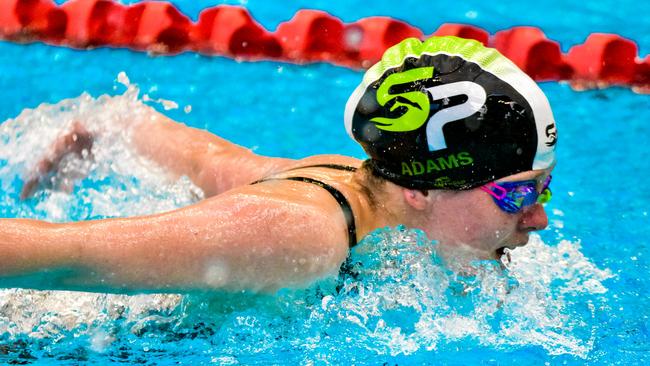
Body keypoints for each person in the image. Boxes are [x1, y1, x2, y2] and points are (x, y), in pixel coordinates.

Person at [0, 36, 557, 293]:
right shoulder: (296, 233)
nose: (538, 219)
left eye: (542, 190)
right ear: (422, 190)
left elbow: (207, 157)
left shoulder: (339, 178)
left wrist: (96, 125)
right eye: (518, 196)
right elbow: (66, 255)